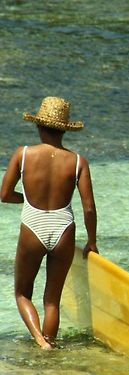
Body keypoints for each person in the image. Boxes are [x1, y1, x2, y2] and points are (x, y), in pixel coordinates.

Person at [1, 96, 98, 350]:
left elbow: (4, 195)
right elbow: (88, 207)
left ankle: (39, 340)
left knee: (22, 293)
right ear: (64, 129)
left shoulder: (23, 154)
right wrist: (92, 241)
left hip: (33, 224)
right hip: (64, 225)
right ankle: (49, 344)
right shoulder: (78, 161)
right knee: (52, 301)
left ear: (39, 126)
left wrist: (28, 199)